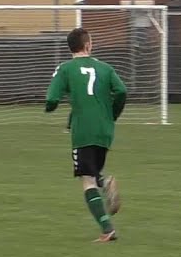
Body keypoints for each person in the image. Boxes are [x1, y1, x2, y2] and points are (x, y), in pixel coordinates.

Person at [45, 28, 128, 243]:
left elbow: (52, 98)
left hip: (83, 131)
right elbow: (121, 91)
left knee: (87, 180)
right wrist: (112, 114)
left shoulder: (65, 69)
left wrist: (50, 106)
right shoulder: (105, 68)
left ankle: (107, 229)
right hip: (105, 131)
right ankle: (105, 182)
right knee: (92, 171)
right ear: (88, 45)